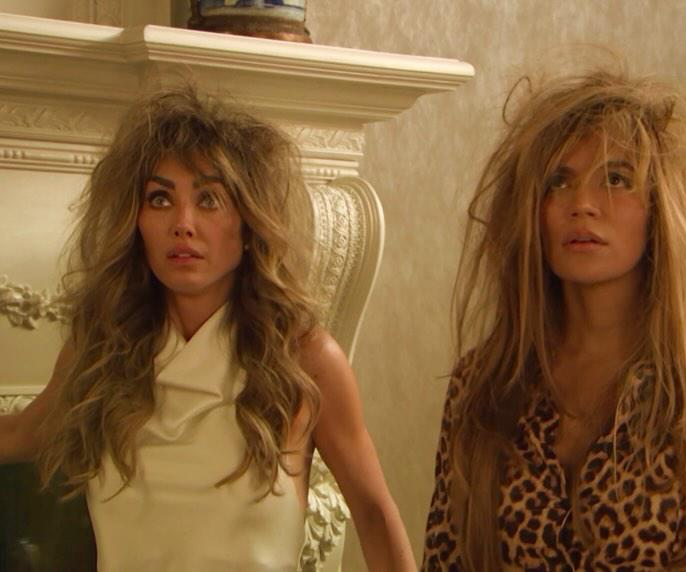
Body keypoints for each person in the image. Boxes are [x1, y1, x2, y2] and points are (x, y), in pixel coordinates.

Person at [422, 70, 686, 571]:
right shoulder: (486, 382)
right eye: (559, 182)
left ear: (661, 208)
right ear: (533, 209)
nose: (582, 205)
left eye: (616, 179)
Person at [0, 87, 415, 572]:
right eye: (160, 198)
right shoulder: (100, 349)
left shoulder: (305, 358)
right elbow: (21, 433)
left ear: (250, 222)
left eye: (209, 199)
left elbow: (374, 513)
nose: (183, 223)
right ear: (135, 222)